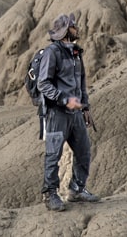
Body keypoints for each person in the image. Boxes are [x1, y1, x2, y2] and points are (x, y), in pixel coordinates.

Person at [37, 13, 100, 211]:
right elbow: (42, 83)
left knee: (84, 151)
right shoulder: (52, 53)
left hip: (76, 114)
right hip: (57, 113)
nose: (77, 29)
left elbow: (81, 83)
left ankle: (77, 189)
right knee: (53, 155)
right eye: (74, 26)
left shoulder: (75, 53)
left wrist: (85, 106)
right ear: (65, 30)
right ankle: (50, 194)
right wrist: (64, 100)